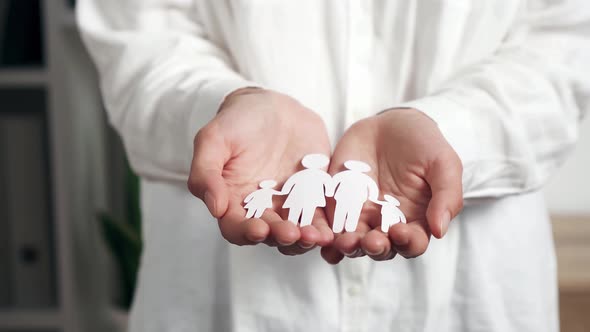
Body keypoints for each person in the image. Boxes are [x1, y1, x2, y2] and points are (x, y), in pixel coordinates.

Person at [78, 1, 590, 331]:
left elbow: (566, 43)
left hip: (472, 290)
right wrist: (224, 104)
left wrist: (457, 132)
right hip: (218, 288)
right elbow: (141, 33)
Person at [281, 153, 332, 227]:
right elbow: (329, 184)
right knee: (306, 210)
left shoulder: (300, 174)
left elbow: (290, 182)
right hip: (303, 196)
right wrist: (329, 193)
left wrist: (285, 191)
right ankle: (299, 224)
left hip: (304, 196)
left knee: (303, 210)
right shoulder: (322, 175)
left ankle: (299, 224)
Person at [328, 160, 379, 233]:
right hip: (346, 198)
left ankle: (345, 228)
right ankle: (343, 228)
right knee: (349, 213)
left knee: (348, 213)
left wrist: (330, 192)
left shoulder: (345, 175)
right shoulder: (362, 177)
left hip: (354, 199)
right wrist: (373, 197)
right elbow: (372, 187)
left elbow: (372, 187)